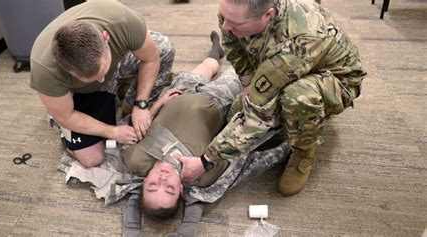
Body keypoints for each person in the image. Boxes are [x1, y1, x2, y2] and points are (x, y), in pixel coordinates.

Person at [177, 0, 367, 196]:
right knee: (239, 110)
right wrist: (250, 81)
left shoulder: (300, 40)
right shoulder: (234, 12)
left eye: (234, 23)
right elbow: (234, 47)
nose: (225, 26)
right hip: (289, 61)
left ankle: (303, 153)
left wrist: (207, 160)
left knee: (296, 97)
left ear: (267, 15)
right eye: (223, 17)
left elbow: (258, 114)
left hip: (336, 78)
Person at [29, 1, 175, 168]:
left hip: (117, 55)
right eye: (92, 78)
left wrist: (141, 104)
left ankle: (128, 105)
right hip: (78, 92)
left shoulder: (121, 20)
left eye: (102, 72)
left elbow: (151, 58)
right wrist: (112, 132)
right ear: (66, 69)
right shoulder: (45, 70)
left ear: (106, 38)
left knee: (164, 48)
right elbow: (67, 116)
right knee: (92, 159)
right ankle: (60, 110)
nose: (102, 80)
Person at [121, 31, 244, 220]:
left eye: (153, 186)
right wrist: (205, 161)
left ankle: (215, 50)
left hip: (178, 93)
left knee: (207, 66)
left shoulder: (135, 161)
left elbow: (135, 128)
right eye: (169, 189)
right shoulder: (200, 176)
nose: (162, 179)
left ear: (144, 182)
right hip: (216, 102)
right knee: (241, 69)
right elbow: (234, 149)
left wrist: (158, 104)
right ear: (180, 189)